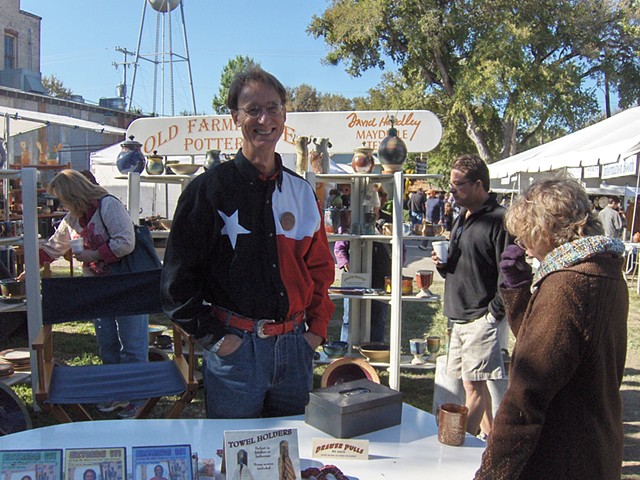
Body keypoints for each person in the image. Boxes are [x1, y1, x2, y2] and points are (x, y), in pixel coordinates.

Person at [161, 67, 335, 419]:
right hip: (236, 355)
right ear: (235, 117)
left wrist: (315, 332)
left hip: (294, 350)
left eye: (272, 108)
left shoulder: (301, 193)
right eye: (252, 109)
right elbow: (176, 286)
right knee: (238, 462)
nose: (264, 119)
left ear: (284, 116)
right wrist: (218, 340)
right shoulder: (207, 192)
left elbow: (320, 271)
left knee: (291, 460)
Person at [475, 176, 628, 480]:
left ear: (544, 230)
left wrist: (491, 474)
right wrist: (520, 292)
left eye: (526, 237)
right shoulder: (605, 270)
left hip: (562, 457)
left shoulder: (567, 285)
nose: (525, 249)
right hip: (596, 447)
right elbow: (548, 350)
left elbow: (526, 396)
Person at [17, 169, 148, 419]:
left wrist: (94, 255)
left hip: (126, 284)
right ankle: (115, 392)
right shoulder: (73, 218)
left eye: (62, 198)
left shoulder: (108, 206)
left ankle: (137, 396)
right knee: (107, 343)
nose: (60, 203)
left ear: (73, 194)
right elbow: (54, 247)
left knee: (132, 343)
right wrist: (29, 269)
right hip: (96, 288)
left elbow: (126, 242)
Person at [431, 154, 509, 437]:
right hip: (459, 316)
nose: (451, 190)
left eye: (458, 185)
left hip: (480, 316)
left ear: (479, 184)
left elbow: (510, 273)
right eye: (450, 185)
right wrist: (443, 265)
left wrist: (492, 315)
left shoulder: (500, 220)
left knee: (471, 387)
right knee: (477, 384)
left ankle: (458, 447)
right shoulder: (461, 218)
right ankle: (490, 445)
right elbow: (461, 265)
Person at [335, 184, 391, 343]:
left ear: (382, 199)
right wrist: (346, 263)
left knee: (378, 317)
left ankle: (374, 351)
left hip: (381, 276)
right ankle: (347, 350)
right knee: (349, 317)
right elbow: (340, 246)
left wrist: (396, 267)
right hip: (354, 277)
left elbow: (401, 248)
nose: (372, 202)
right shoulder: (352, 218)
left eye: (376, 197)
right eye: (368, 197)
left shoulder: (389, 220)